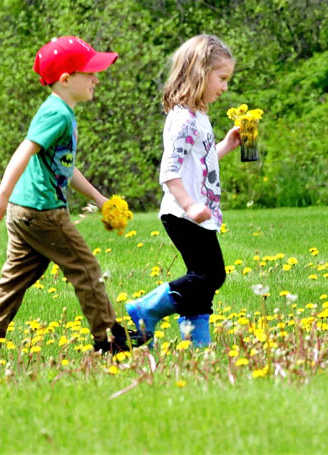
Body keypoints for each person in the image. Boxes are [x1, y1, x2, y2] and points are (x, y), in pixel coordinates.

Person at [0, 36, 144, 363]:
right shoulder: (57, 114)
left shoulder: (60, 111)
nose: (97, 79)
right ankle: (109, 338)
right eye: (90, 73)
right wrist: (0, 194)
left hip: (25, 210)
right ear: (67, 79)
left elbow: (65, 168)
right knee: (86, 268)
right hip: (42, 211)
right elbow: (24, 149)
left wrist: (101, 200)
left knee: (15, 277)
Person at [126, 34, 241, 347]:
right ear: (200, 72)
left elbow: (199, 162)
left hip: (196, 213)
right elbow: (170, 172)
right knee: (211, 276)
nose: (225, 87)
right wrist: (190, 206)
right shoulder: (183, 120)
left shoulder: (199, 117)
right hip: (182, 212)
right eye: (222, 78)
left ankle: (198, 346)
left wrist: (226, 146)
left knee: (202, 279)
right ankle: (145, 309)